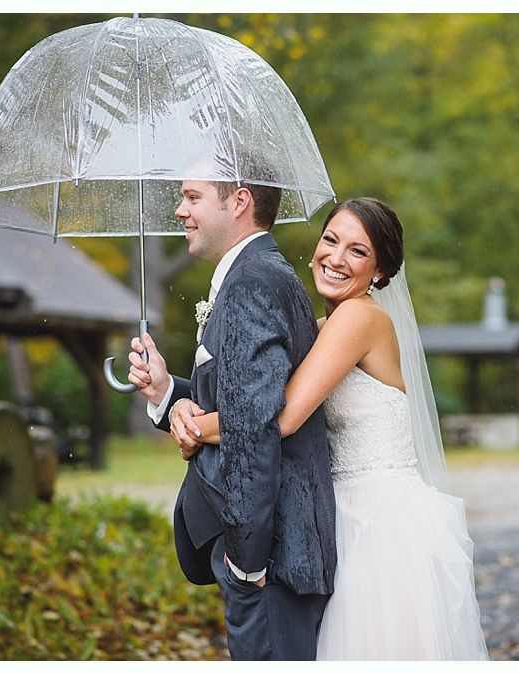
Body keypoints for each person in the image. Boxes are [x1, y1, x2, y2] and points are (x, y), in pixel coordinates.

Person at [171, 197, 489, 660]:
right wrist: (176, 401)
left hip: (377, 522)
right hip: (336, 514)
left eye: (358, 252)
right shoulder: (320, 327)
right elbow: (252, 398)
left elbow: (278, 419)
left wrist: (196, 428)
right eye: (331, 240)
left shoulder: (360, 319)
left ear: (379, 271)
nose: (336, 258)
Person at [126, 169, 336, 661]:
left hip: (269, 557)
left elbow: (254, 429)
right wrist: (165, 393)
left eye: (193, 197)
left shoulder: (252, 284)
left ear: (238, 201)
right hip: (271, 551)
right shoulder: (255, 276)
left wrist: (246, 561)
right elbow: (241, 403)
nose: (181, 210)